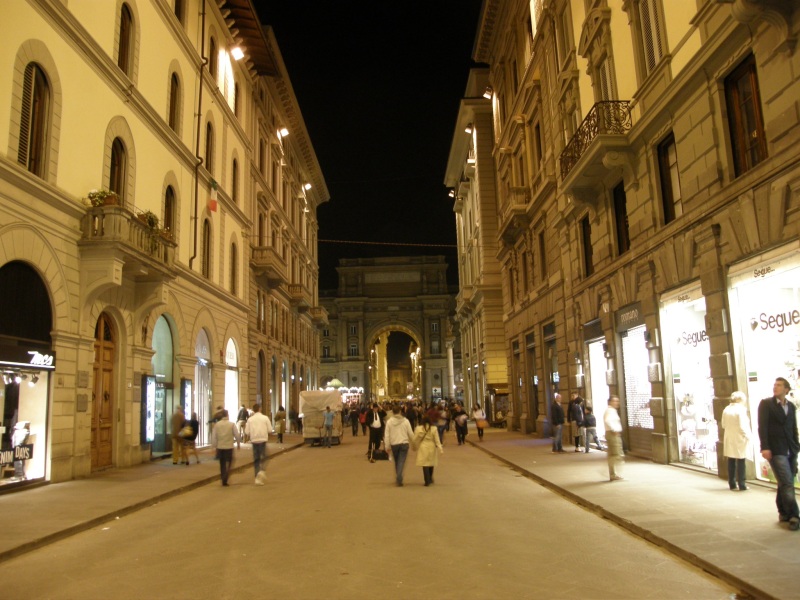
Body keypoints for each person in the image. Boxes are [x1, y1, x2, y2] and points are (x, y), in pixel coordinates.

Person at [758, 377, 800, 530]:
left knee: (784, 481)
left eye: (779, 385)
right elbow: (762, 427)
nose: (775, 387)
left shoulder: (791, 406)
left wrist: (796, 445)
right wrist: (765, 447)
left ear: (786, 389)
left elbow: (793, 427)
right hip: (776, 449)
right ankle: (795, 515)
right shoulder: (766, 404)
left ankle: (783, 512)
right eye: (774, 385)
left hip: (791, 448)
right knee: (787, 482)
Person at [721, 391, 751, 491]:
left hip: (729, 437)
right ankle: (742, 484)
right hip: (739, 437)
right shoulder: (741, 410)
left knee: (731, 460)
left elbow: (723, 424)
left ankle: (732, 483)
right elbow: (743, 426)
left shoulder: (726, 409)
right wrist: (748, 436)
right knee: (741, 460)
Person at [384, 404, 415, 486]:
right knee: (401, 461)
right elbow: (411, 433)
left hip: (394, 444)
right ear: (400, 411)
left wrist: (387, 446)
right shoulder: (405, 421)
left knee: (397, 461)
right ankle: (399, 477)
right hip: (404, 443)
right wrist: (414, 442)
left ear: (393, 412)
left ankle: (398, 477)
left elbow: (387, 435)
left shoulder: (389, 422)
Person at [211, 410, 240, 487]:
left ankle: (223, 478)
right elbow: (237, 435)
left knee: (222, 463)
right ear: (227, 415)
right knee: (229, 462)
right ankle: (226, 476)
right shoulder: (232, 424)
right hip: (229, 447)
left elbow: (214, 436)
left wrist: (214, 446)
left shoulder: (217, 425)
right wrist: (238, 443)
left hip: (220, 447)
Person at [245, 404, 272, 485]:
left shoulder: (250, 419)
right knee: (265, 457)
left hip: (254, 441)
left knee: (256, 459)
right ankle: (262, 471)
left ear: (253, 410)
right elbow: (270, 430)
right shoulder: (265, 418)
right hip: (263, 440)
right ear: (260, 409)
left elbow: (247, 432)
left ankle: (257, 478)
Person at [413, 415, 444, 486]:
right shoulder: (434, 428)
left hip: (423, 446)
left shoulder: (419, 428)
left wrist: (414, 446)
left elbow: (414, 439)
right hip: (431, 446)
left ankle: (427, 480)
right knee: (431, 462)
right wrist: (440, 449)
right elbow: (437, 440)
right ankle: (430, 478)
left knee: (425, 464)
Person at [604, 396, 624, 480]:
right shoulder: (610, 411)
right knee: (615, 454)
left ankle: (613, 474)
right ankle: (611, 473)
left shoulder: (612, 410)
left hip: (612, 434)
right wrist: (614, 429)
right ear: (610, 402)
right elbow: (607, 421)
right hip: (612, 434)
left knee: (613, 454)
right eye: (614, 401)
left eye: (617, 401)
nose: (617, 403)